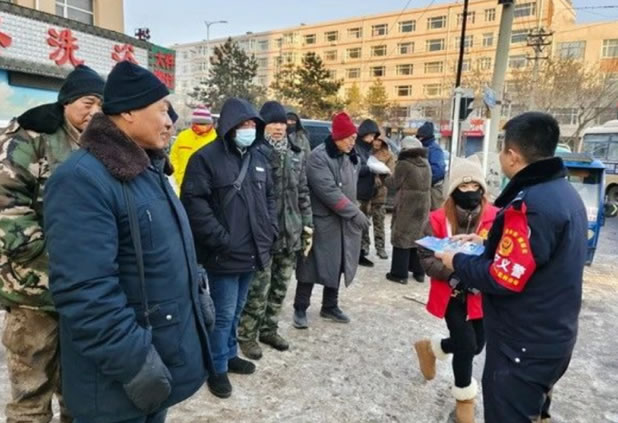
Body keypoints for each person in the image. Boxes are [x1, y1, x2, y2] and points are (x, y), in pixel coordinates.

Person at [43, 61, 215, 423]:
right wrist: (136, 365)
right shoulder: (82, 179)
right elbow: (86, 293)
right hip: (119, 379)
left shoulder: (148, 169)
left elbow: (168, 252)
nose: (170, 122)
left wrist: (198, 296)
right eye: (162, 110)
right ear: (128, 112)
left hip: (156, 359)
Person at [435, 112, 588, 423]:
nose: (500, 156)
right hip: (551, 336)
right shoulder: (564, 193)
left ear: (514, 155)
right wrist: (484, 243)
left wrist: (457, 260)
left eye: (502, 148)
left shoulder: (530, 205)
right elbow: (533, 255)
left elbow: (503, 277)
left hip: (522, 346)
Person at [0, 64, 104, 423]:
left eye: (101, 105)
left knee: (78, 391)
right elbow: (7, 207)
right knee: (31, 393)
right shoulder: (30, 137)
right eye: (88, 103)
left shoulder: (101, 143)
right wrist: (49, 259)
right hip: (33, 287)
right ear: (67, 102)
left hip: (83, 289)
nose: (95, 112)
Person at [180, 97, 278, 399]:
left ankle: (229, 353)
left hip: (253, 249)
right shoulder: (206, 158)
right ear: (229, 126)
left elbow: (270, 198)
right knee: (222, 314)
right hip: (223, 252)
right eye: (243, 123)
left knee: (237, 309)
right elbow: (194, 203)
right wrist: (221, 238)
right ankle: (217, 366)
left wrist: (270, 230)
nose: (249, 128)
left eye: (252, 124)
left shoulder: (259, 158)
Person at [414, 157, 499, 423]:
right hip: (451, 293)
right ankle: (464, 402)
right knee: (465, 344)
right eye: (464, 186)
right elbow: (426, 257)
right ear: (453, 190)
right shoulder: (437, 219)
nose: (470, 191)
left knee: (477, 345)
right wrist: (453, 274)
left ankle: (431, 349)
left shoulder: (497, 218)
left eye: (475, 186)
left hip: (482, 294)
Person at [238, 101, 312, 360]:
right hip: (264, 234)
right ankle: (247, 334)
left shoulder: (295, 153)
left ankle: (269, 329)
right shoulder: (255, 153)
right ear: (263, 126)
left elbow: (303, 192)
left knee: (280, 287)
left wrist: (307, 225)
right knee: (258, 290)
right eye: (273, 123)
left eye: (282, 123)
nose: (279, 128)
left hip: (290, 231)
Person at [294, 112, 369, 328]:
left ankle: (330, 305)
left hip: (343, 222)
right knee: (310, 267)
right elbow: (329, 192)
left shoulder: (350, 155)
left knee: (338, 264)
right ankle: (300, 307)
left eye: (354, 138)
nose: (353, 142)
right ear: (337, 137)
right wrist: (355, 213)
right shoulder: (319, 157)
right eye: (349, 138)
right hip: (322, 221)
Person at [385, 136, 432, 284]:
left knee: (402, 237)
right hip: (423, 205)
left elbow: (394, 183)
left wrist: (384, 175)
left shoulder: (404, 163)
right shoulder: (426, 163)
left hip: (407, 205)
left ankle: (399, 274)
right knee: (418, 237)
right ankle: (419, 273)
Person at [169, 105, 217, 192]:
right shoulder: (183, 137)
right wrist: (178, 175)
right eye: (199, 123)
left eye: (204, 124)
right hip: (184, 187)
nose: (202, 126)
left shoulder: (216, 139)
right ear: (193, 123)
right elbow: (173, 157)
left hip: (209, 189)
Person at [356, 118, 381, 267]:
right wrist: (371, 168)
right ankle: (357, 254)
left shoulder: (367, 149)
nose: (372, 139)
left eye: (374, 136)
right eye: (370, 135)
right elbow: (355, 168)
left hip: (366, 193)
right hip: (358, 193)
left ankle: (360, 251)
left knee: (363, 224)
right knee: (358, 225)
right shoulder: (356, 148)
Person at [370, 133, 396, 259]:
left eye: (380, 140)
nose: (377, 143)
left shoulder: (388, 155)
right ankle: (363, 247)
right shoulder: (365, 151)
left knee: (379, 221)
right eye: (375, 139)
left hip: (380, 192)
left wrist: (380, 177)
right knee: (362, 222)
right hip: (365, 191)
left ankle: (380, 247)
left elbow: (391, 173)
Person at [416, 121, 445, 210]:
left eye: (421, 136)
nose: (419, 138)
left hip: (433, 189)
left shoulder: (434, 149)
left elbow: (438, 171)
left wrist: (424, 180)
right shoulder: (421, 147)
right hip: (424, 188)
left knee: (433, 214)